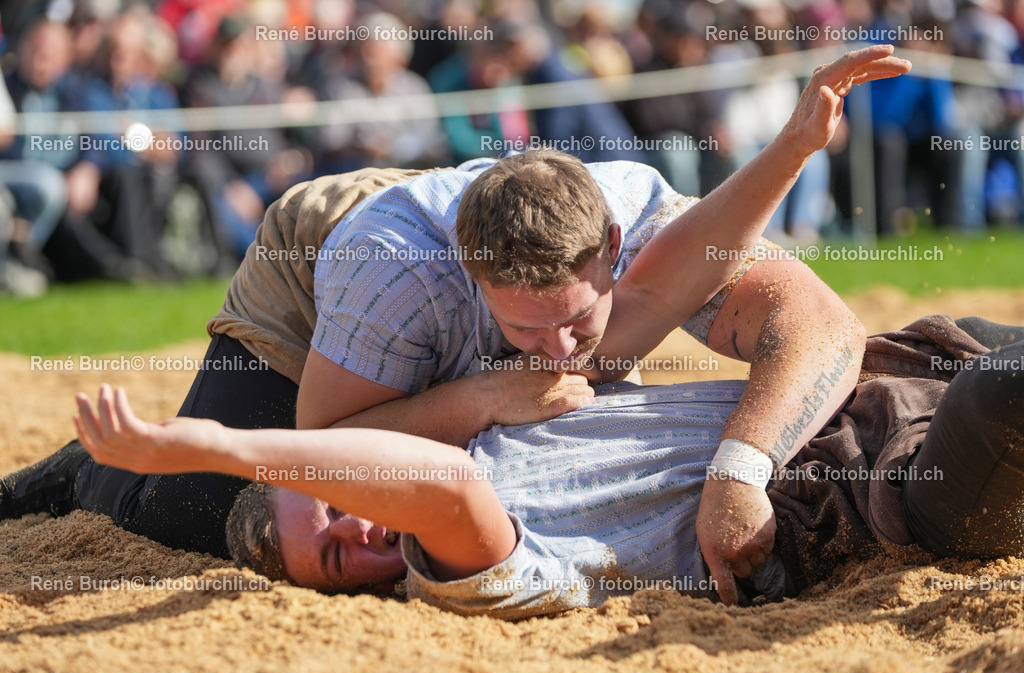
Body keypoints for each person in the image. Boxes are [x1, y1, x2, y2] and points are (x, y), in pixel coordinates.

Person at [1, 46, 912, 606]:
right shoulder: (390, 275)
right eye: (529, 328)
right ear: (478, 286)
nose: (563, 349)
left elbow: (823, 326)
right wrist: (483, 393)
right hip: (323, 270)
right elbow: (320, 439)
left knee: (575, 378)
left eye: (579, 318)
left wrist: (794, 148)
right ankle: (74, 471)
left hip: (502, 239)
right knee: (218, 512)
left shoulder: (629, 210)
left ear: (614, 250)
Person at [70, 314, 1024, 619]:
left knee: (988, 349)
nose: (355, 524)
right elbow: (435, 489)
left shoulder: (480, 427)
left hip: (885, 373)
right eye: (332, 553)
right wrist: (210, 448)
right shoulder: (463, 573)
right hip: (888, 490)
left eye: (325, 502)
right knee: (1006, 397)